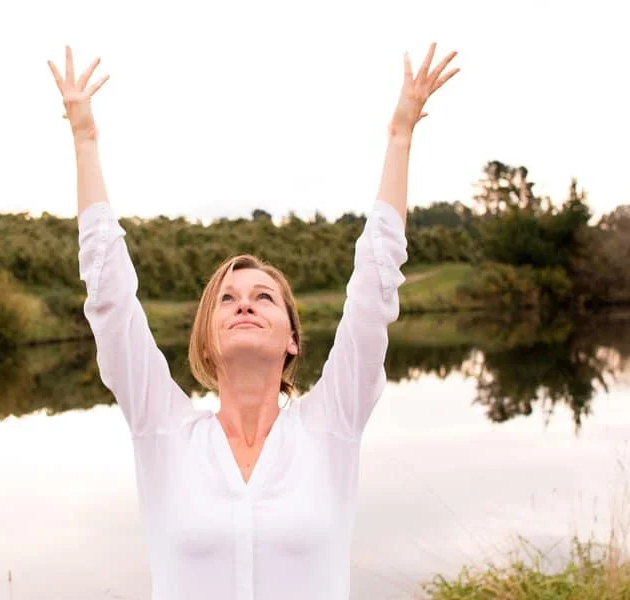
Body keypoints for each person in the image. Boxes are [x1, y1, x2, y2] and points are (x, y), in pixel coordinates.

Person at [48, 42, 458, 600]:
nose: (244, 303)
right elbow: (110, 299)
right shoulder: (163, 431)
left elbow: (372, 288)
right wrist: (85, 140)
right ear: (207, 338)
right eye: (227, 298)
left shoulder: (331, 425)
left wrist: (401, 136)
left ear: (291, 338)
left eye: (264, 296)